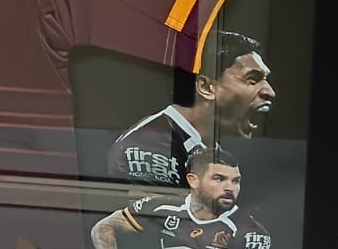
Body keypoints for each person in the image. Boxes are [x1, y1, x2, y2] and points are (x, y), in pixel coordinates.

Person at [106, 31, 277, 186]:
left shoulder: (211, 149)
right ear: (206, 87)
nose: (270, 92)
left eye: (265, 80)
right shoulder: (148, 147)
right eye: (252, 80)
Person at [90, 148, 273, 249]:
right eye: (219, 179)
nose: (230, 188)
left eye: (236, 181)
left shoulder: (250, 231)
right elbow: (104, 226)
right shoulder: (160, 206)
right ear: (193, 181)